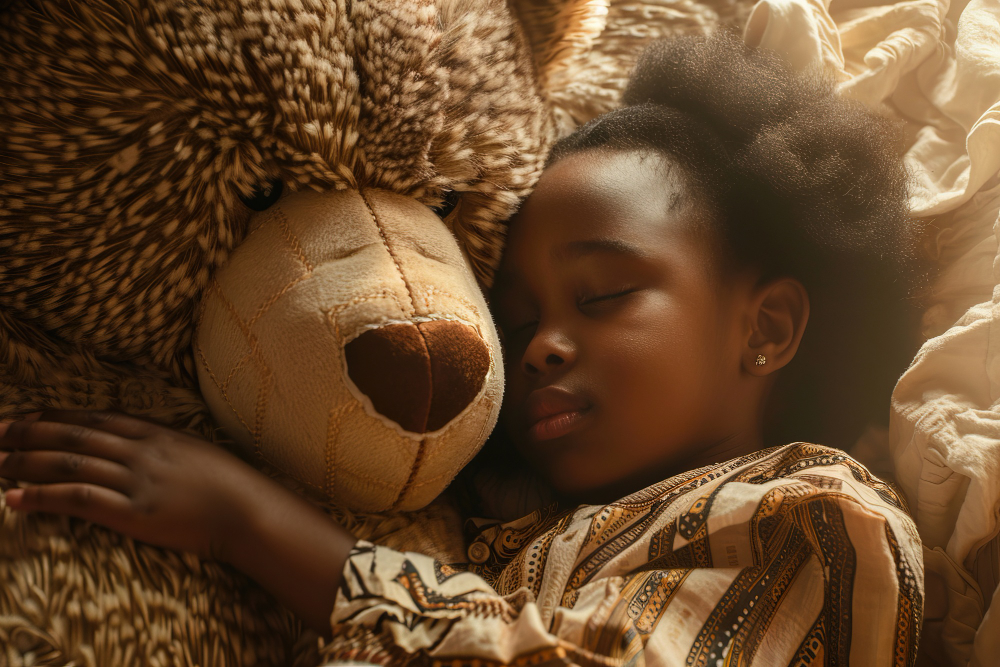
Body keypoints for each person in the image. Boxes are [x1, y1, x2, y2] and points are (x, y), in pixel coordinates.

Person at [0, 32, 924, 664]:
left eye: (601, 295)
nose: (539, 348)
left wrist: (257, 528)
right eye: (514, 321)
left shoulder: (823, 518)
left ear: (764, 328)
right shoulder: (503, 527)